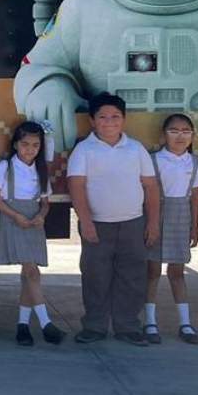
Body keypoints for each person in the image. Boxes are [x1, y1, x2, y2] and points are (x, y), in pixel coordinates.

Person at [67, 92, 160, 346]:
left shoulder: (136, 149)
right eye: (103, 117)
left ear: (124, 120)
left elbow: (151, 188)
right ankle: (95, 326)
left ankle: (128, 326)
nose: (109, 122)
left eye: (115, 117)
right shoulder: (84, 150)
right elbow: (77, 187)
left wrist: (152, 223)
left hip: (133, 224)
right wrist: (85, 221)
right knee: (95, 276)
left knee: (132, 277)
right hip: (97, 225)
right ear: (92, 120)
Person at [0, 121, 66, 346]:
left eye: (35, 145)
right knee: (31, 271)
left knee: (30, 274)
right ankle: (45, 323)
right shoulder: (6, 166)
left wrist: (42, 215)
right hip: (14, 218)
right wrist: (15, 216)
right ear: (15, 145)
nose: (29, 149)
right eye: (25, 144)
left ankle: (22, 326)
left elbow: (44, 202)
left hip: (33, 220)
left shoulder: (41, 169)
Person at [144, 114, 198, 345]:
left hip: (181, 217)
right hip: (157, 215)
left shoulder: (195, 162)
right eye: (174, 131)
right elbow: (149, 193)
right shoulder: (154, 160)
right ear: (163, 135)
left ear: (192, 135)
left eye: (186, 131)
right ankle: (149, 321)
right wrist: (151, 223)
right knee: (152, 271)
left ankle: (185, 323)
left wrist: (194, 227)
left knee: (177, 272)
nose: (180, 136)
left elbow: (195, 197)